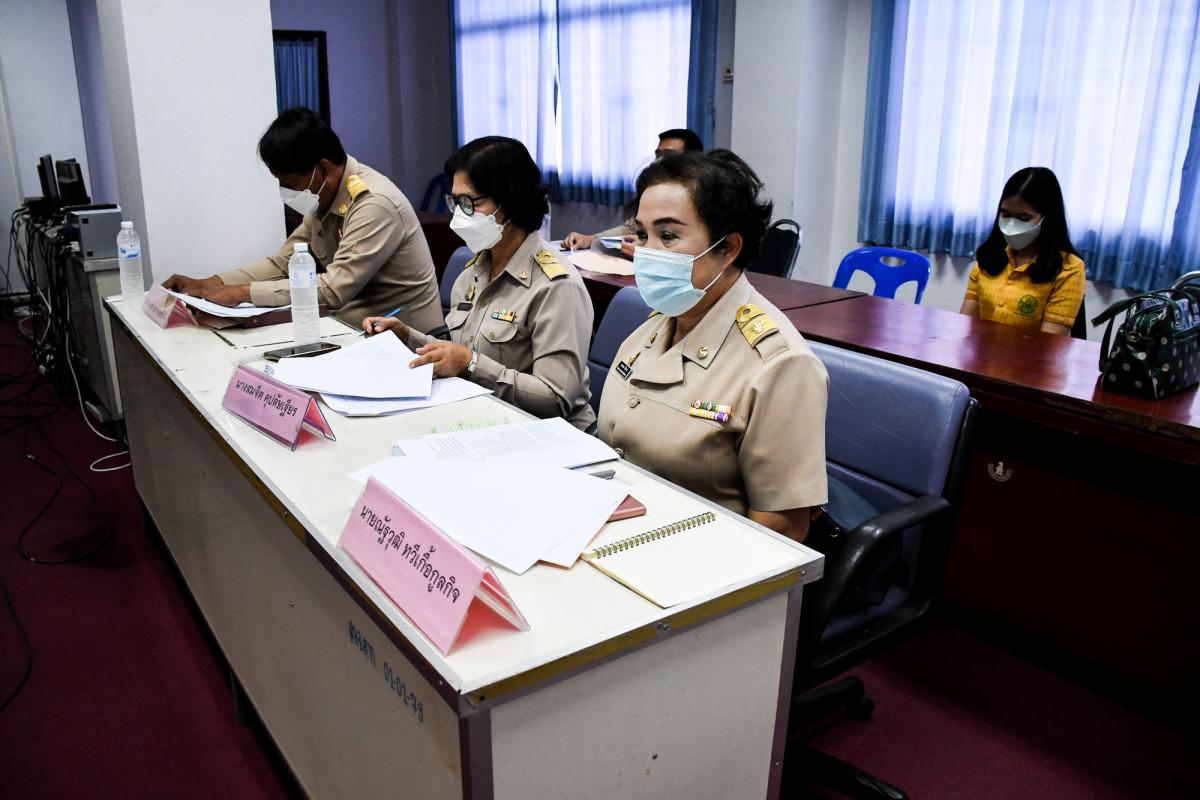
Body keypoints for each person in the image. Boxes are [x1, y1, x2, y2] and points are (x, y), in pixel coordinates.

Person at [596, 150, 828, 542]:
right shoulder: (659, 322)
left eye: (667, 236)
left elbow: (781, 528)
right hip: (617, 527)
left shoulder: (778, 365)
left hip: (699, 560)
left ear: (728, 248)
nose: (647, 252)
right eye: (642, 235)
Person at [363, 136, 595, 430]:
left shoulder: (555, 286)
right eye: (456, 202)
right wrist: (408, 337)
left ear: (510, 202)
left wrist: (471, 364)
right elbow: (462, 352)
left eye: (470, 203)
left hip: (547, 435)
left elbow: (555, 398)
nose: (460, 215)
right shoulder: (475, 271)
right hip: (486, 418)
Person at [164, 108, 442, 332]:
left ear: (322, 169)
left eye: (291, 183)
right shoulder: (327, 198)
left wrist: (240, 292)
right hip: (356, 328)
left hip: (407, 340)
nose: (287, 192)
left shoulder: (373, 203)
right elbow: (281, 264)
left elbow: (333, 290)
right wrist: (208, 284)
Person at [959, 166, 1085, 335]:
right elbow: (966, 326)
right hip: (979, 355)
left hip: (1029, 360)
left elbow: (1049, 344)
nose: (1011, 225)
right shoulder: (991, 255)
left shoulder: (1068, 268)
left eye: (1023, 218)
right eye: (1005, 215)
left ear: (1048, 218)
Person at [562, 128, 705, 251]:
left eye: (668, 155)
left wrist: (645, 252)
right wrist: (590, 239)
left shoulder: (701, 195)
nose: (659, 161)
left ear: (692, 158)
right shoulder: (654, 191)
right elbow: (630, 228)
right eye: (658, 155)